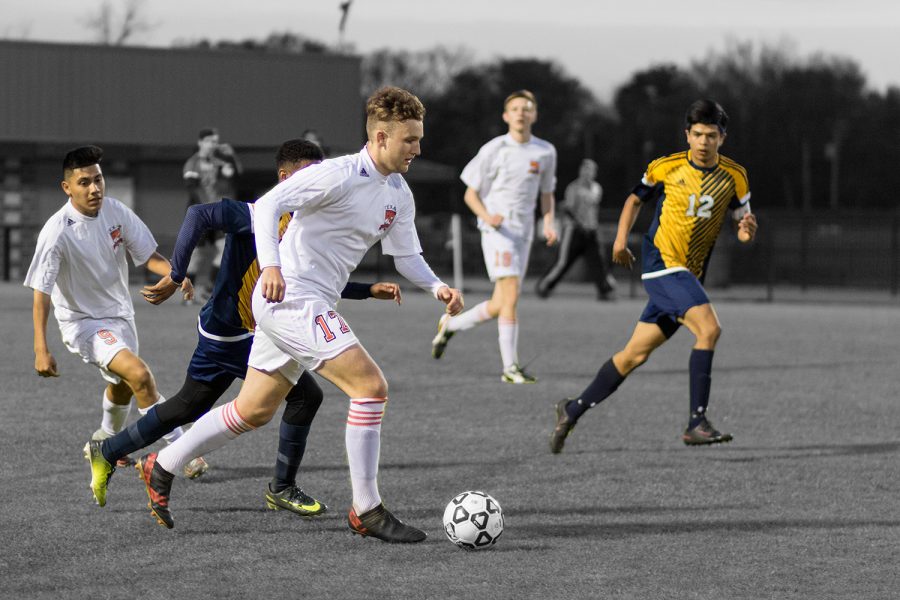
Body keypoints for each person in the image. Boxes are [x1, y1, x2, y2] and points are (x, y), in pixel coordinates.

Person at [134, 87, 463, 543]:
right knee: (370, 387)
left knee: (252, 410)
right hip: (291, 299)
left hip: (308, 304)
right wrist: (271, 265)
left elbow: (406, 255)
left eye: (419, 139)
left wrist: (436, 286)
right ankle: (366, 510)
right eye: (410, 140)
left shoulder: (398, 193)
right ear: (382, 137)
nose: (418, 149)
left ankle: (161, 465)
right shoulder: (337, 175)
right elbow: (269, 204)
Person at [85, 139, 402, 513]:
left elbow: (307, 282)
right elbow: (199, 214)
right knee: (304, 396)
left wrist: (368, 290)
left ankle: (107, 450)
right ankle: (282, 487)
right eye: (310, 174)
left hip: (240, 332)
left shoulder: (308, 225)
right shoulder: (257, 214)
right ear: (285, 178)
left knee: (189, 406)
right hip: (232, 333)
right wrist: (175, 273)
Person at [549, 99, 758, 454]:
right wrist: (618, 240)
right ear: (687, 135)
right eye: (697, 135)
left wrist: (747, 231)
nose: (704, 142)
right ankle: (697, 422)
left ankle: (573, 409)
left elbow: (743, 227)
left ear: (722, 137)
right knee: (709, 329)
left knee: (633, 355)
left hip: (687, 278)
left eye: (711, 135)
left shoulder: (735, 177)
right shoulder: (666, 167)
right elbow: (634, 201)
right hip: (661, 265)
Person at [24, 145, 200, 491]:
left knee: (121, 386)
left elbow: (149, 255)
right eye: (85, 182)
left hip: (120, 315)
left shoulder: (115, 211)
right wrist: (40, 349)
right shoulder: (57, 231)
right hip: (84, 323)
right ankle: (181, 451)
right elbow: (40, 292)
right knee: (140, 375)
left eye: (99, 180)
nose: (94, 189)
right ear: (67, 188)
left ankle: (105, 443)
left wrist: (176, 275)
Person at [430, 89, 558, 384]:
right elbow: (470, 194)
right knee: (511, 296)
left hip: (523, 233)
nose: (521, 112)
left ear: (534, 114)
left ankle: (450, 327)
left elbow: (547, 193)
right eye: (515, 108)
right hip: (498, 232)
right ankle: (509, 368)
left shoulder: (545, 151)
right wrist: (488, 217)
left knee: (502, 302)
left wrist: (549, 223)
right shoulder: (494, 149)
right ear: (506, 115)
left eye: (527, 108)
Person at [535, 158, 617, 300]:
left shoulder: (597, 188)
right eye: (585, 170)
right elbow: (568, 209)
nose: (587, 173)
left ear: (594, 173)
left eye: (590, 170)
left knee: (599, 262)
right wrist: (580, 223)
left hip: (591, 232)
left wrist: (590, 225)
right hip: (574, 231)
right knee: (563, 262)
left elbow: (593, 210)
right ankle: (544, 286)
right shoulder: (573, 188)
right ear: (580, 171)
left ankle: (605, 291)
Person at [183, 127, 242, 299]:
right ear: (200, 142)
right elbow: (191, 188)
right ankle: (188, 294)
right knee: (197, 255)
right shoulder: (193, 163)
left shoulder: (218, 162)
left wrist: (231, 155)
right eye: (209, 141)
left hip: (217, 214)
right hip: (200, 215)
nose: (212, 145)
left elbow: (236, 175)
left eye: (215, 142)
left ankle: (210, 287)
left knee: (225, 249)